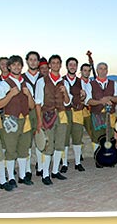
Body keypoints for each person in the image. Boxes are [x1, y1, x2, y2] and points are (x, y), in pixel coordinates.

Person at [0, 55, 36, 187]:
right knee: (11, 150)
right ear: (9, 67)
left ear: (22, 66)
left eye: (19, 65)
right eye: (14, 65)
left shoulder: (26, 84)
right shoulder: (3, 84)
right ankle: (11, 177)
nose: (16, 67)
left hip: (25, 119)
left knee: (24, 149)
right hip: (10, 120)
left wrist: (28, 95)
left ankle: (22, 176)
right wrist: (10, 95)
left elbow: (32, 106)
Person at [35, 55, 72, 185]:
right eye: (53, 63)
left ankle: (55, 171)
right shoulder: (42, 81)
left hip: (61, 115)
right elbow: (38, 103)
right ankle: (45, 173)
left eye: (58, 63)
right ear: (50, 65)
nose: (55, 65)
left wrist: (65, 92)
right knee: (48, 145)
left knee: (60, 144)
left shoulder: (64, 82)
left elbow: (67, 103)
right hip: (48, 115)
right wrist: (39, 120)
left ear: (60, 65)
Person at [85, 62, 117, 167]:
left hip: (110, 115)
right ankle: (98, 159)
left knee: (109, 138)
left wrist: (109, 98)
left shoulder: (113, 83)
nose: (103, 70)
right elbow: (88, 100)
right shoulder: (90, 84)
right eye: (100, 68)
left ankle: (110, 159)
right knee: (97, 138)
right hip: (97, 114)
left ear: (107, 70)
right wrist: (101, 102)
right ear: (97, 70)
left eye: (105, 68)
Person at [61, 57, 88, 173]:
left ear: (77, 67)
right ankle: (64, 163)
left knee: (77, 138)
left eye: (74, 65)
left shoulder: (81, 81)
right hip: (65, 112)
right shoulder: (61, 81)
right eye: (70, 64)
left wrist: (83, 96)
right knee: (65, 139)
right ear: (67, 67)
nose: (72, 67)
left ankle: (77, 162)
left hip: (77, 112)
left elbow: (84, 98)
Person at [22, 51, 43, 178]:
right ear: (27, 61)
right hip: (27, 112)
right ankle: (27, 169)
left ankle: (40, 167)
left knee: (41, 139)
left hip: (40, 112)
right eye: (31, 59)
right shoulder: (22, 78)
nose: (33, 62)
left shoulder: (44, 78)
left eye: (35, 59)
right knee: (27, 142)